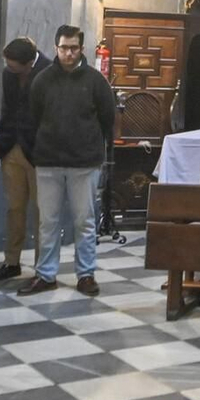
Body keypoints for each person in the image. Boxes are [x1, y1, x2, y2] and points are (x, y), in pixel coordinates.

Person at [19, 25, 116, 297]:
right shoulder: (42, 80)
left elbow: (108, 120)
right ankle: (46, 274)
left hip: (84, 164)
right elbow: (31, 120)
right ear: (55, 47)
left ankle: (86, 274)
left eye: (73, 48)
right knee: (48, 222)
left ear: (81, 49)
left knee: (84, 221)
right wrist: (37, 153)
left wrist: (96, 152)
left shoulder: (96, 81)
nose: (68, 53)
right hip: (48, 161)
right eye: (63, 48)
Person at [0, 36, 51, 282]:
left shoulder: (48, 71)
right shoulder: (8, 73)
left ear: (28, 63)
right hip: (11, 147)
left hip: (38, 151)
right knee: (14, 208)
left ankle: (43, 266)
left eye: (14, 65)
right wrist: (4, 139)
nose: (9, 69)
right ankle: (11, 261)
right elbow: (8, 107)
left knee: (41, 212)